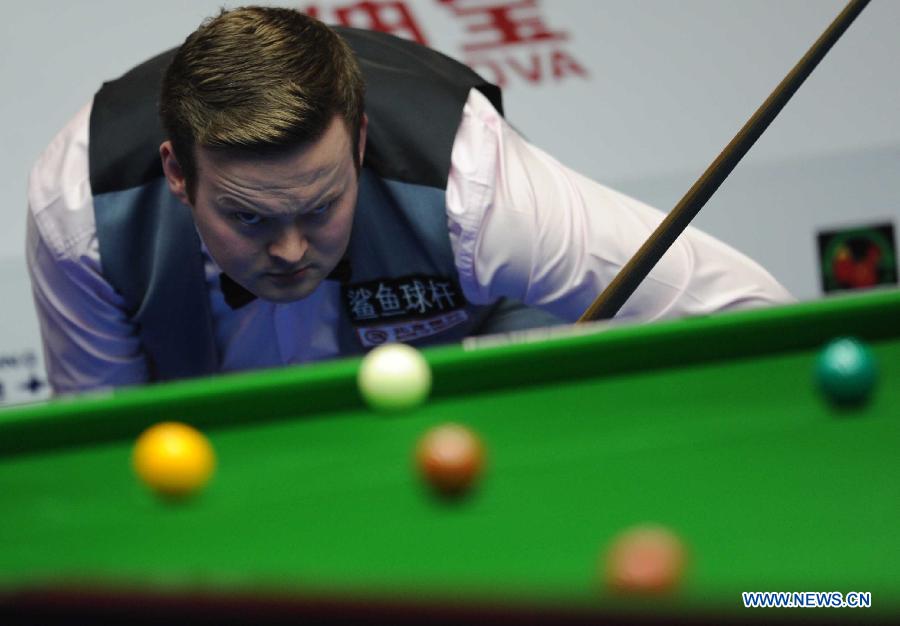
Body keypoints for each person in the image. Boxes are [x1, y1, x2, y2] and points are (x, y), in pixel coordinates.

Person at [26, 7, 792, 395]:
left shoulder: (471, 184)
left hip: (474, 395)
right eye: (249, 218)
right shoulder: (81, 212)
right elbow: (109, 428)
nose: (291, 251)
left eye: (320, 206)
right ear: (177, 173)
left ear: (359, 145)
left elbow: (743, 310)